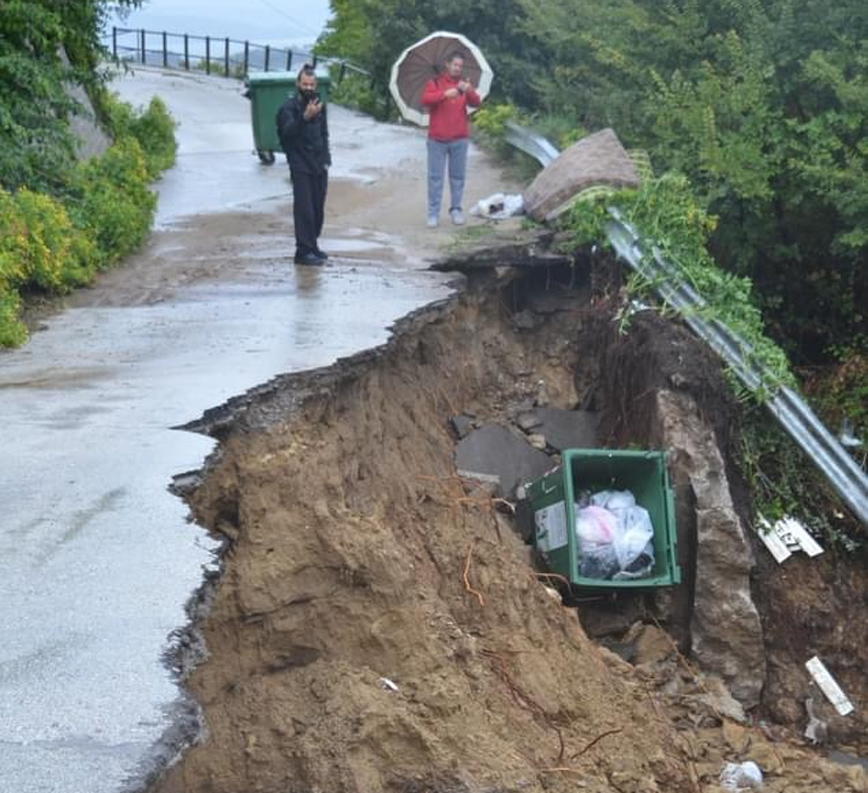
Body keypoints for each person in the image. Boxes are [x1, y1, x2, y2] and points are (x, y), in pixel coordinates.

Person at [276, 64, 331, 265]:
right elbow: (287, 133)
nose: (308, 88)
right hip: (300, 164)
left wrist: (326, 160)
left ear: (316, 85)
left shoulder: (319, 105)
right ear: (298, 84)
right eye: (305, 84)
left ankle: (312, 245)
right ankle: (303, 251)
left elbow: (324, 134)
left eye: (311, 84)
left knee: (317, 209)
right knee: (304, 209)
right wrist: (305, 118)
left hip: (318, 164)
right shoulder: (288, 108)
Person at [421, 51, 482, 228]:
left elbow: (476, 103)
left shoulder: (464, 84)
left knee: (457, 177)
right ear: (447, 64)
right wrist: (445, 94)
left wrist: (468, 90)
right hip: (436, 139)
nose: (458, 68)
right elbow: (425, 99)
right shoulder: (434, 83)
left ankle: (456, 209)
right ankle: (433, 213)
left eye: (460, 66)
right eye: (455, 65)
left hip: (459, 138)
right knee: (435, 178)